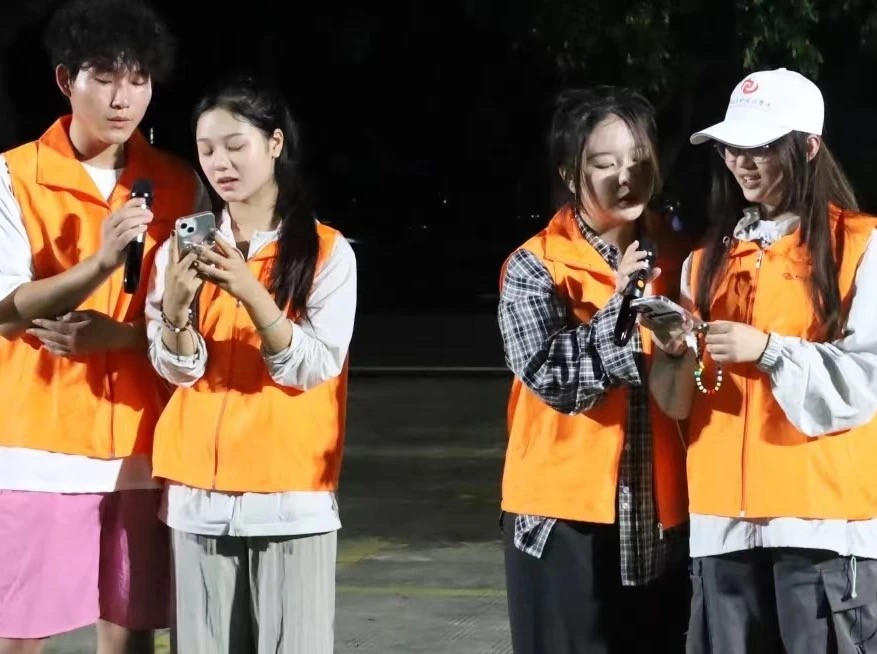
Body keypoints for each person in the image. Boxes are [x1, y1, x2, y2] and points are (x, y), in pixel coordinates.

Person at [0, 0, 206, 652]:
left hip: (144, 447)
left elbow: (194, 319)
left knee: (131, 637)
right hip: (36, 447)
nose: (123, 98)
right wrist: (100, 263)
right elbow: (5, 309)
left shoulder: (177, 182)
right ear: (66, 80)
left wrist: (121, 337)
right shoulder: (14, 174)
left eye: (139, 80)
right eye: (106, 77)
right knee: (19, 635)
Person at [651, 67, 877, 654]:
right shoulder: (702, 263)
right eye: (732, 147)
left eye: (761, 148)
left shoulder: (862, 245)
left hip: (823, 527)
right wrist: (674, 352)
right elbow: (678, 403)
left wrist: (770, 351)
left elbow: (867, 377)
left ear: (809, 147)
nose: (742, 162)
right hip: (720, 530)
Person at [144, 74, 356, 654]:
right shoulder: (179, 251)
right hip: (197, 498)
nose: (221, 163)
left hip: (289, 497)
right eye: (207, 150)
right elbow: (177, 371)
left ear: (275, 143)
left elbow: (314, 366)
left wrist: (252, 292)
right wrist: (176, 312)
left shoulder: (327, 252)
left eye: (236, 145)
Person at [497, 86, 691, 654]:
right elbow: (555, 380)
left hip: (663, 515)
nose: (626, 176)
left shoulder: (682, 257)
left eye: (638, 158)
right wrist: (622, 302)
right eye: (605, 164)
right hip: (563, 519)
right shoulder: (535, 266)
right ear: (569, 171)